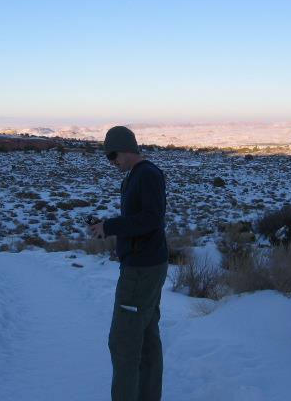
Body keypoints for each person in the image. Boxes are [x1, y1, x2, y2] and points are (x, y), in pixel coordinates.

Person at [89, 125, 169, 401]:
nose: (111, 162)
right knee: (146, 338)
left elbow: (151, 219)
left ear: (125, 148)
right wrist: (111, 230)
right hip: (146, 265)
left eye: (112, 155)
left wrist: (110, 226)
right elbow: (143, 220)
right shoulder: (138, 174)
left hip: (141, 271)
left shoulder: (146, 174)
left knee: (123, 343)